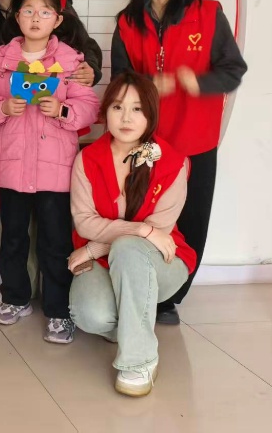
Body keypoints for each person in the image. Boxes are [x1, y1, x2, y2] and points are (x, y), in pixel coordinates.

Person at [110, 0, 247, 324]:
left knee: (191, 220)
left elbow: (233, 70)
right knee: (142, 218)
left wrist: (194, 81)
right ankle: (137, 289)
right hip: (144, 140)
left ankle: (170, 297)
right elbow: (119, 78)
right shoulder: (127, 21)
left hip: (195, 140)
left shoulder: (209, 13)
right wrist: (143, 86)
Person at [0, 0, 99, 343]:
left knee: (55, 242)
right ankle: (15, 298)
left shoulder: (71, 62)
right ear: (17, 17)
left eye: (44, 12)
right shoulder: (2, 61)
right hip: (12, 169)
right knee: (13, 238)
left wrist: (62, 110)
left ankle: (58, 311)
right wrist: (2, 108)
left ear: (57, 20)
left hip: (54, 171)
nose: (35, 18)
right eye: (28, 11)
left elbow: (89, 107)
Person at [69, 71, 196, 397]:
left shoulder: (173, 163)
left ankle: (139, 361)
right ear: (106, 111)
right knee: (91, 315)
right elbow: (85, 222)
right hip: (108, 263)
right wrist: (141, 228)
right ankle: (131, 325)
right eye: (118, 107)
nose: (126, 118)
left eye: (137, 109)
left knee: (128, 249)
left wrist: (93, 249)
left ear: (151, 114)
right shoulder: (87, 160)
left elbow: (159, 232)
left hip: (161, 261)